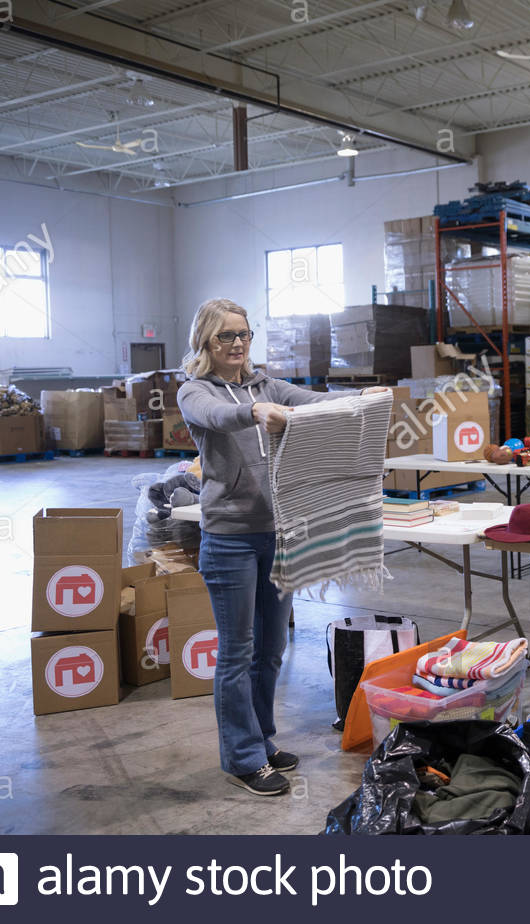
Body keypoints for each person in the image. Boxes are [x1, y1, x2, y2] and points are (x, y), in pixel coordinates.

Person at [176, 298, 388, 797]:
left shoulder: (268, 384)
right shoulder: (194, 391)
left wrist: (363, 400)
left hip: (279, 534)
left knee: (270, 650)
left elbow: (313, 402)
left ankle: (263, 740)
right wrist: (253, 411)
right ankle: (242, 758)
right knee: (236, 652)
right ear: (206, 341)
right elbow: (220, 416)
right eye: (226, 336)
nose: (236, 344)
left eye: (243, 334)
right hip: (229, 539)